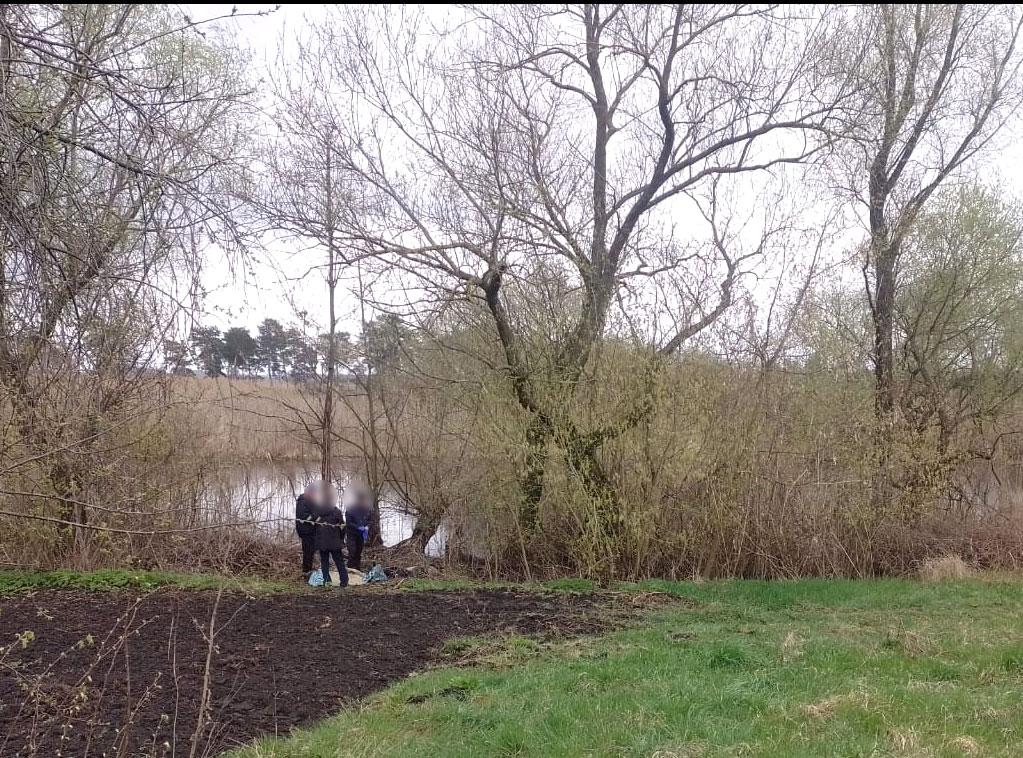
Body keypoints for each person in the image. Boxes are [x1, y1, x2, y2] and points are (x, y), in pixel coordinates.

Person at [313, 485, 348, 587]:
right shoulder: (336, 511)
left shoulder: (317, 512)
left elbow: (314, 526)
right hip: (334, 542)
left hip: (322, 542)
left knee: (324, 562)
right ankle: (344, 581)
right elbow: (343, 527)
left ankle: (326, 581)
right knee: (339, 562)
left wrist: (317, 539)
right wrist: (341, 539)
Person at [344, 488, 374, 571]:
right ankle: (349, 569)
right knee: (352, 551)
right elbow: (348, 523)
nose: (363, 502)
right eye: (361, 501)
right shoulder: (350, 509)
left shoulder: (367, 510)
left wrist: (367, 527)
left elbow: (370, 520)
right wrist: (358, 527)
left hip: (361, 534)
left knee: (358, 552)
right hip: (351, 534)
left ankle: (357, 569)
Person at [295, 482, 320, 579]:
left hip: (312, 531)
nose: (315, 495)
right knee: (307, 551)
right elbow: (303, 517)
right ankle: (306, 571)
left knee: (312, 550)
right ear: (309, 492)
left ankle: (309, 569)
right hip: (305, 531)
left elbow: (317, 512)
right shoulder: (302, 501)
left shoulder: (312, 501)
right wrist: (314, 517)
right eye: (313, 493)